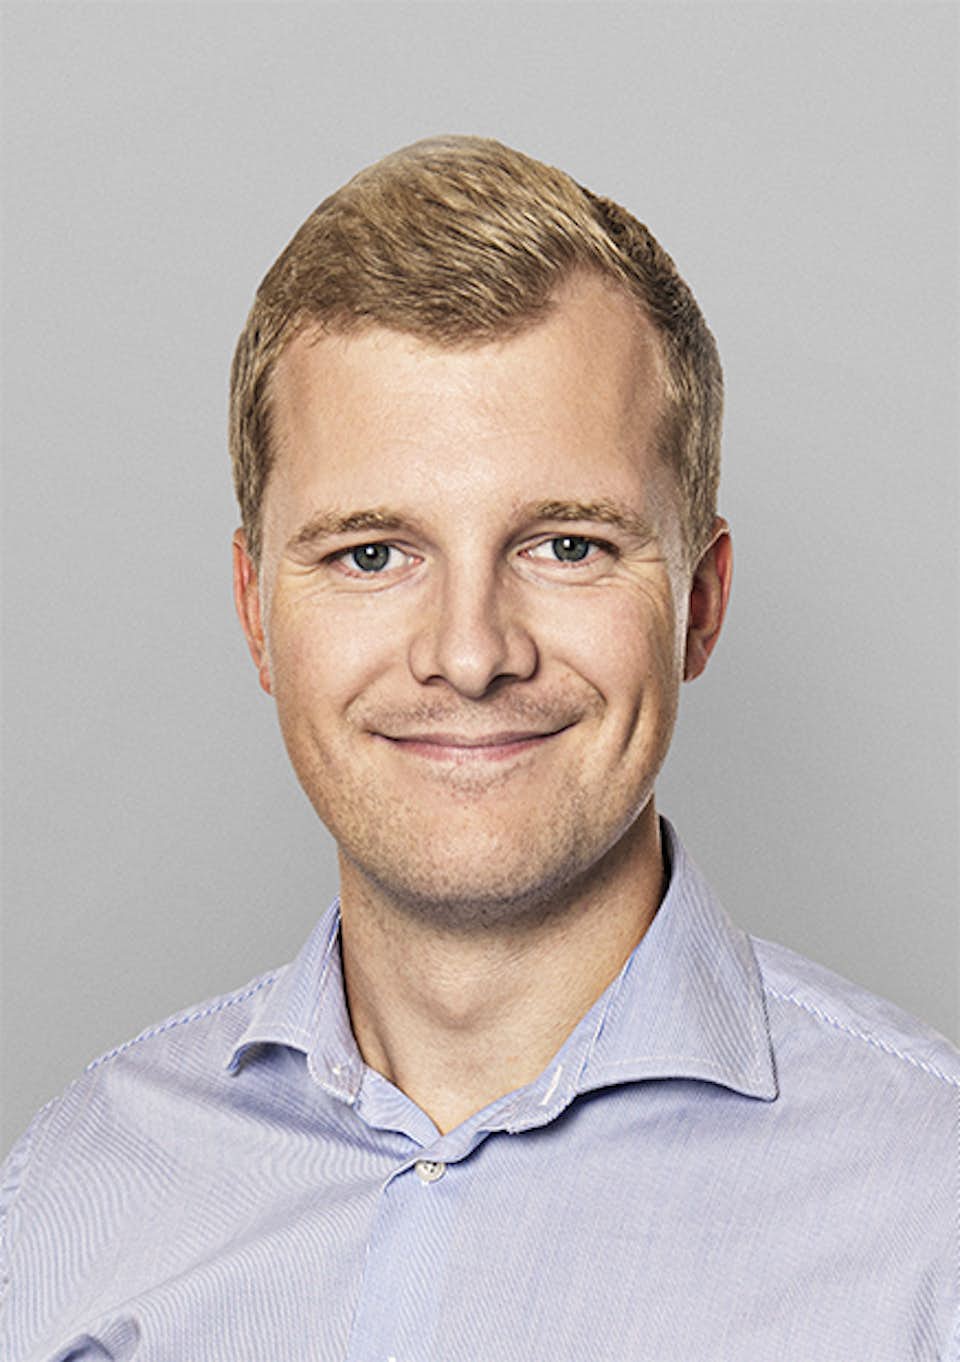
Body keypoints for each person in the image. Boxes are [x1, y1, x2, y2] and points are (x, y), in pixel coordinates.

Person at [1, 135, 956, 1362]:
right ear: (256, 614)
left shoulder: (932, 1219)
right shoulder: (67, 1206)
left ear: (700, 604)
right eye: (371, 554)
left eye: (567, 546)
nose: (468, 654)